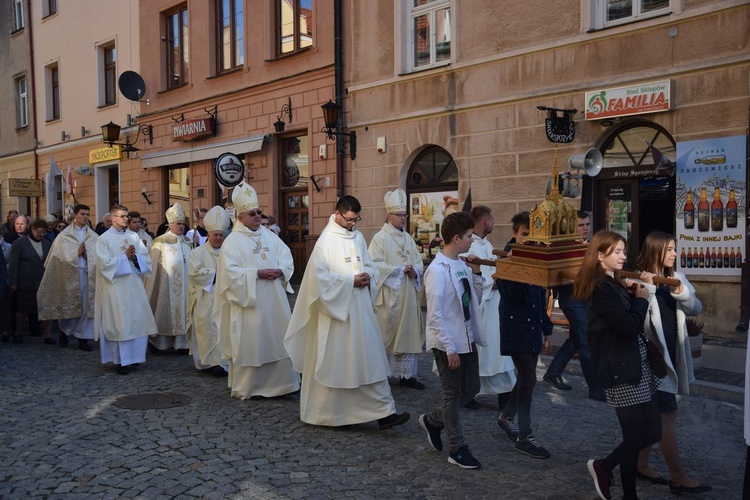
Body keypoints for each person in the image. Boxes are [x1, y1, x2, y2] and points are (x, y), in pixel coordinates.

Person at [284, 195, 409, 429]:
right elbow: (317, 279)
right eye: (350, 219)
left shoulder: (359, 237)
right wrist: (349, 281)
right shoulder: (326, 241)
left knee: (369, 359)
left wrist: (368, 276)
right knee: (339, 363)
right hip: (336, 316)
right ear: (338, 213)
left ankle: (384, 412)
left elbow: (371, 266)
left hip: (360, 312)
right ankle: (334, 415)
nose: (354, 224)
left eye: (357, 219)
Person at [577, 230, 662, 500]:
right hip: (620, 368)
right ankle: (629, 496)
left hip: (636, 365)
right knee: (635, 436)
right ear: (600, 256)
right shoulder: (601, 288)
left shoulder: (613, 284)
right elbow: (627, 327)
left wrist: (634, 292)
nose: (624, 256)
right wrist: (641, 299)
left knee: (653, 431)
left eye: (624, 251)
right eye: (617, 252)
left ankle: (604, 466)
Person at [634, 232, 711, 494]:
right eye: (669, 249)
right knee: (666, 414)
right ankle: (677, 476)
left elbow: (696, 309)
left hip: (672, 354)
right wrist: (647, 289)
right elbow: (637, 317)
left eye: (675, 249)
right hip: (652, 359)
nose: (674, 254)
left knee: (652, 417)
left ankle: (640, 464)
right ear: (656, 251)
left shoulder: (676, 278)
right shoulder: (638, 279)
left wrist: (682, 293)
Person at [215, 183, 300, 398]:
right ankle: (250, 387)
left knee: (276, 337)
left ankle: (282, 385)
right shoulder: (232, 242)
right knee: (252, 342)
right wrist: (257, 274)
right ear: (240, 217)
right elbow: (229, 274)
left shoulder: (269, 236)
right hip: (249, 303)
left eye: (259, 212)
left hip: (274, 301)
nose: (257, 216)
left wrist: (280, 271)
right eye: (251, 213)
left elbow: (286, 256)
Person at [418, 211, 486, 469]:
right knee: (452, 393)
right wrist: (450, 348)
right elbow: (434, 315)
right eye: (469, 236)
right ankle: (457, 448)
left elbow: (473, 301)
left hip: (466, 339)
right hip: (447, 344)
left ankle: (433, 421)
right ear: (456, 238)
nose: (473, 240)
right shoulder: (437, 271)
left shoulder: (461, 265)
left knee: (472, 389)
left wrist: (477, 273)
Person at [496, 211, 553, 459]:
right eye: (525, 235)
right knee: (529, 377)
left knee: (525, 377)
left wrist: (547, 330)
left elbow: (540, 299)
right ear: (515, 234)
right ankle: (524, 435)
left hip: (532, 330)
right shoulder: (508, 262)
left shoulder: (537, 259)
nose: (529, 240)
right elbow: (514, 298)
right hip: (515, 328)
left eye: (533, 236)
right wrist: (517, 267)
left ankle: (506, 416)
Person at [543, 210, 606, 401]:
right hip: (572, 300)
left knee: (577, 339)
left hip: (587, 299)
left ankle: (553, 372)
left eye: (587, 224)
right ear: (572, 228)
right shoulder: (565, 247)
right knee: (586, 340)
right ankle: (595, 388)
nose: (585, 228)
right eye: (581, 225)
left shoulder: (592, 246)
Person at [368, 189, 425, 390]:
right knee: (387, 333)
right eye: (399, 215)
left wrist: (415, 270)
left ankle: (406, 376)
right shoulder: (380, 238)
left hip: (408, 294)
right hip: (390, 294)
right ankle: (382, 372)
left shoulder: (408, 238)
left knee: (407, 332)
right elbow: (373, 264)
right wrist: (400, 270)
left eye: (404, 215)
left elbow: (419, 261)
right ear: (389, 215)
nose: (403, 218)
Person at [461, 205, 516, 409]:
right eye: (492, 218)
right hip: (480, 308)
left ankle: (504, 393)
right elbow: (468, 275)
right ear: (485, 221)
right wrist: (489, 284)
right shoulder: (470, 246)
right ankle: (469, 392)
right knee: (486, 352)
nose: (493, 222)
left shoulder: (486, 243)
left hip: (493, 307)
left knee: (495, 352)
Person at [94, 204, 158, 374]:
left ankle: (135, 358)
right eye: (122, 216)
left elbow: (146, 260)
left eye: (126, 216)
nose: (125, 219)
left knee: (137, 321)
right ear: (113, 218)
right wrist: (124, 257)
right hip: (115, 288)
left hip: (134, 286)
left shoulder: (134, 237)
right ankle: (120, 361)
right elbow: (103, 264)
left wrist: (135, 257)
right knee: (120, 323)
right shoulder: (104, 239)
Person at [37, 204, 98, 351]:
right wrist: (75, 253)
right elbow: (56, 258)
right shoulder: (64, 236)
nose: (85, 217)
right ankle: (65, 332)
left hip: (87, 275)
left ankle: (83, 338)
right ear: (75, 215)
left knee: (85, 307)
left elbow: (100, 257)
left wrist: (87, 255)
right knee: (69, 306)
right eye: (82, 214)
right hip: (69, 276)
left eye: (87, 214)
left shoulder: (94, 236)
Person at [187, 206, 229, 374]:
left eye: (221, 235)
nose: (218, 238)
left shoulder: (229, 251)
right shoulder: (198, 253)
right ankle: (208, 362)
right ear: (209, 235)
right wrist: (217, 274)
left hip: (225, 296)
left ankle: (223, 361)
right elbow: (195, 273)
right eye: (215, 235)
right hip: (206, 295)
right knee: (207, 329)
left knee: (223, 328)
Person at [145, 203, 192, 352]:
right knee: (164, 311)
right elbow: (153, 267)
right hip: (166, 286)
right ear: (170, 224)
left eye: (183, 224)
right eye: (178, 224)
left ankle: (183, 344)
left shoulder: (188, 242)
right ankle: (162, 344)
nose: (181, 227)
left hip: (186, 286)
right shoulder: (160, 242)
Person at [8, 219, 54, 344]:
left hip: (43, 282)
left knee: (47, 310)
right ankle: (18, 333)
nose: (41, 234)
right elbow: (14, 263)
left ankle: (48, 336)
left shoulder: (47, 243)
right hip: (26, 283)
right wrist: (13, 282)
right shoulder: (20, 243)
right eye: (39, 232)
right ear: (32, 230)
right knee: (22, 310)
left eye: (43, 232)